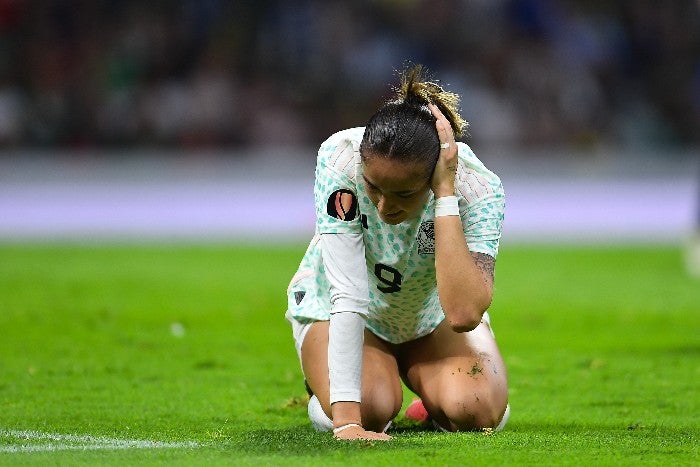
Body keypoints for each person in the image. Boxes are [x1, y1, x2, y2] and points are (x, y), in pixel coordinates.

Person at [285, 64, 509, 441]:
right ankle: (336, 389)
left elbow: (463, 313)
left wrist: (445, 195)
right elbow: (347, 290)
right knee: (368, 408)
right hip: (340, 307)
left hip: (430, 317)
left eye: (404, 193)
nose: (384, 206)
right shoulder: (341, 160)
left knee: (476, 408)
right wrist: (348, 422)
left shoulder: (479, 190)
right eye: (373, 188)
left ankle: (429, 396)